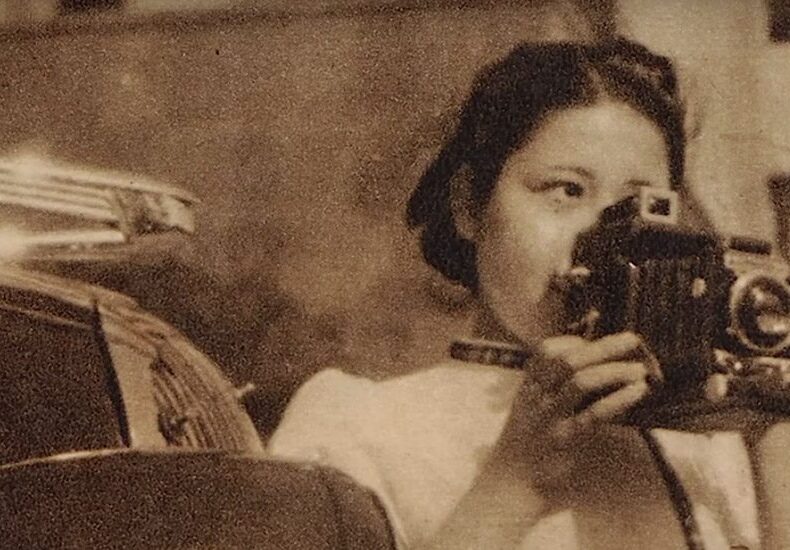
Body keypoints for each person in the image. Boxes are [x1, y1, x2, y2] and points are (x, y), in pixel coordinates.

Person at [267, 37, 768, 549]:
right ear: (469, 206)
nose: (603, 236)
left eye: (639, 206)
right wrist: (512, 483)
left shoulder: (703, 442)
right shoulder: (354, 423)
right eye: (566, 190)